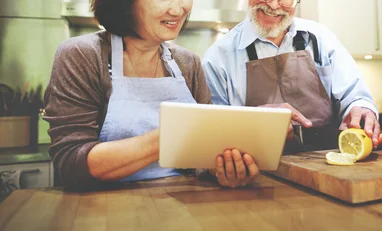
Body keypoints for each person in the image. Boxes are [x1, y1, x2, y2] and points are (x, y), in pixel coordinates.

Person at [44, 0, 257, 191]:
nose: (177, 9)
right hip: (101, 213)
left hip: (181, 208)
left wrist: (221, 170)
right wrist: (169, 137)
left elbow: (203, 157)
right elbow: (71, 163)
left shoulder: (188, 63)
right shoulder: (82, 55)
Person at [202, 0, 381, 151]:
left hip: (329, 166)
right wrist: (254, 121)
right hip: (257, 176)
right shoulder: (218, 58)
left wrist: (360, 109)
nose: (273, 5)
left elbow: (354, 96)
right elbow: (214, 134)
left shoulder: (321, 38)